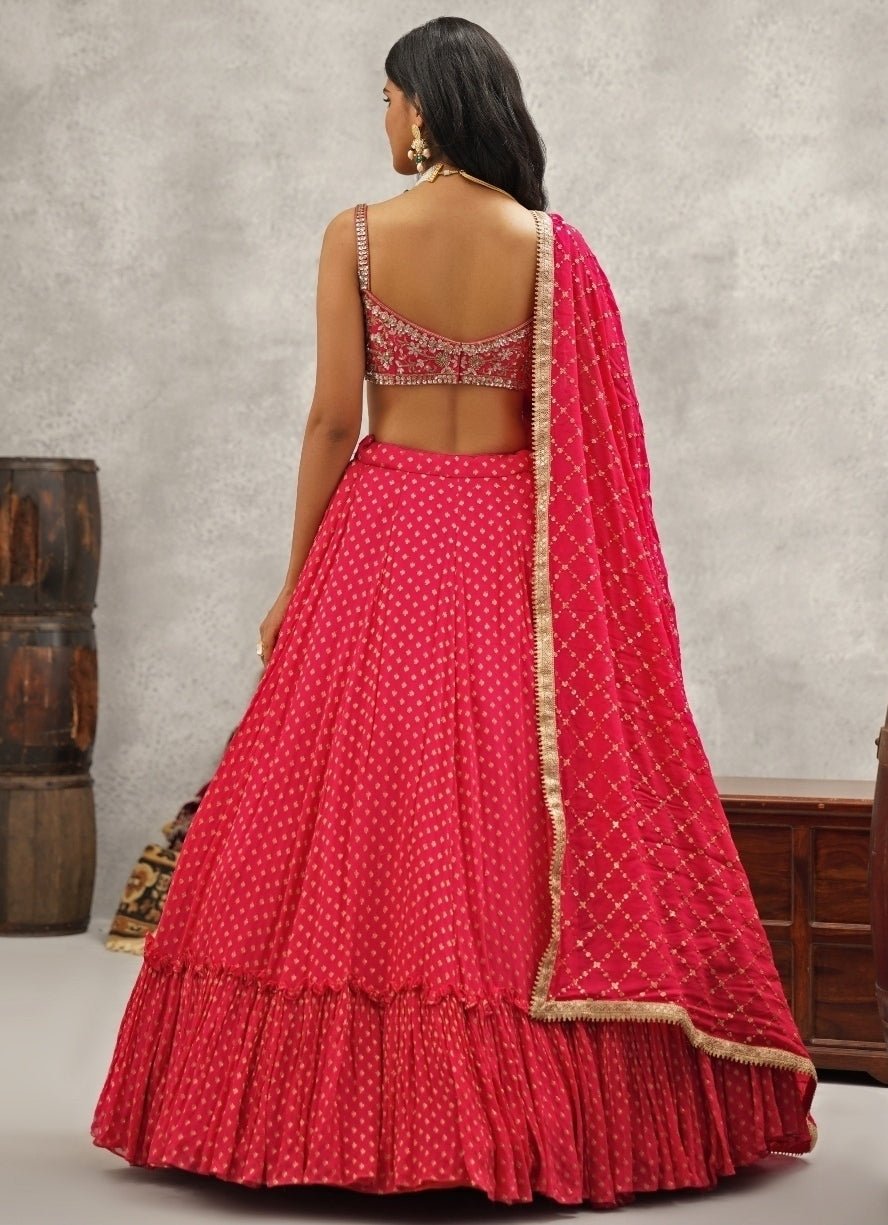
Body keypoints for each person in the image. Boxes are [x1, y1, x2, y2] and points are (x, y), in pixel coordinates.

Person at [89, 15, 817, 1209]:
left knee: (370, 795)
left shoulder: (358, 238)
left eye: (386, 99)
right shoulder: (553, 250)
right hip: (512, 542)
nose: (381, 120)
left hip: (383, 528)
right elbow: (582, 438)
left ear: (423, 107)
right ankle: (531, 1098)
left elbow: (336, 419)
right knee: (509, 801)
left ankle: (348, 1115)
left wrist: (294, 579)